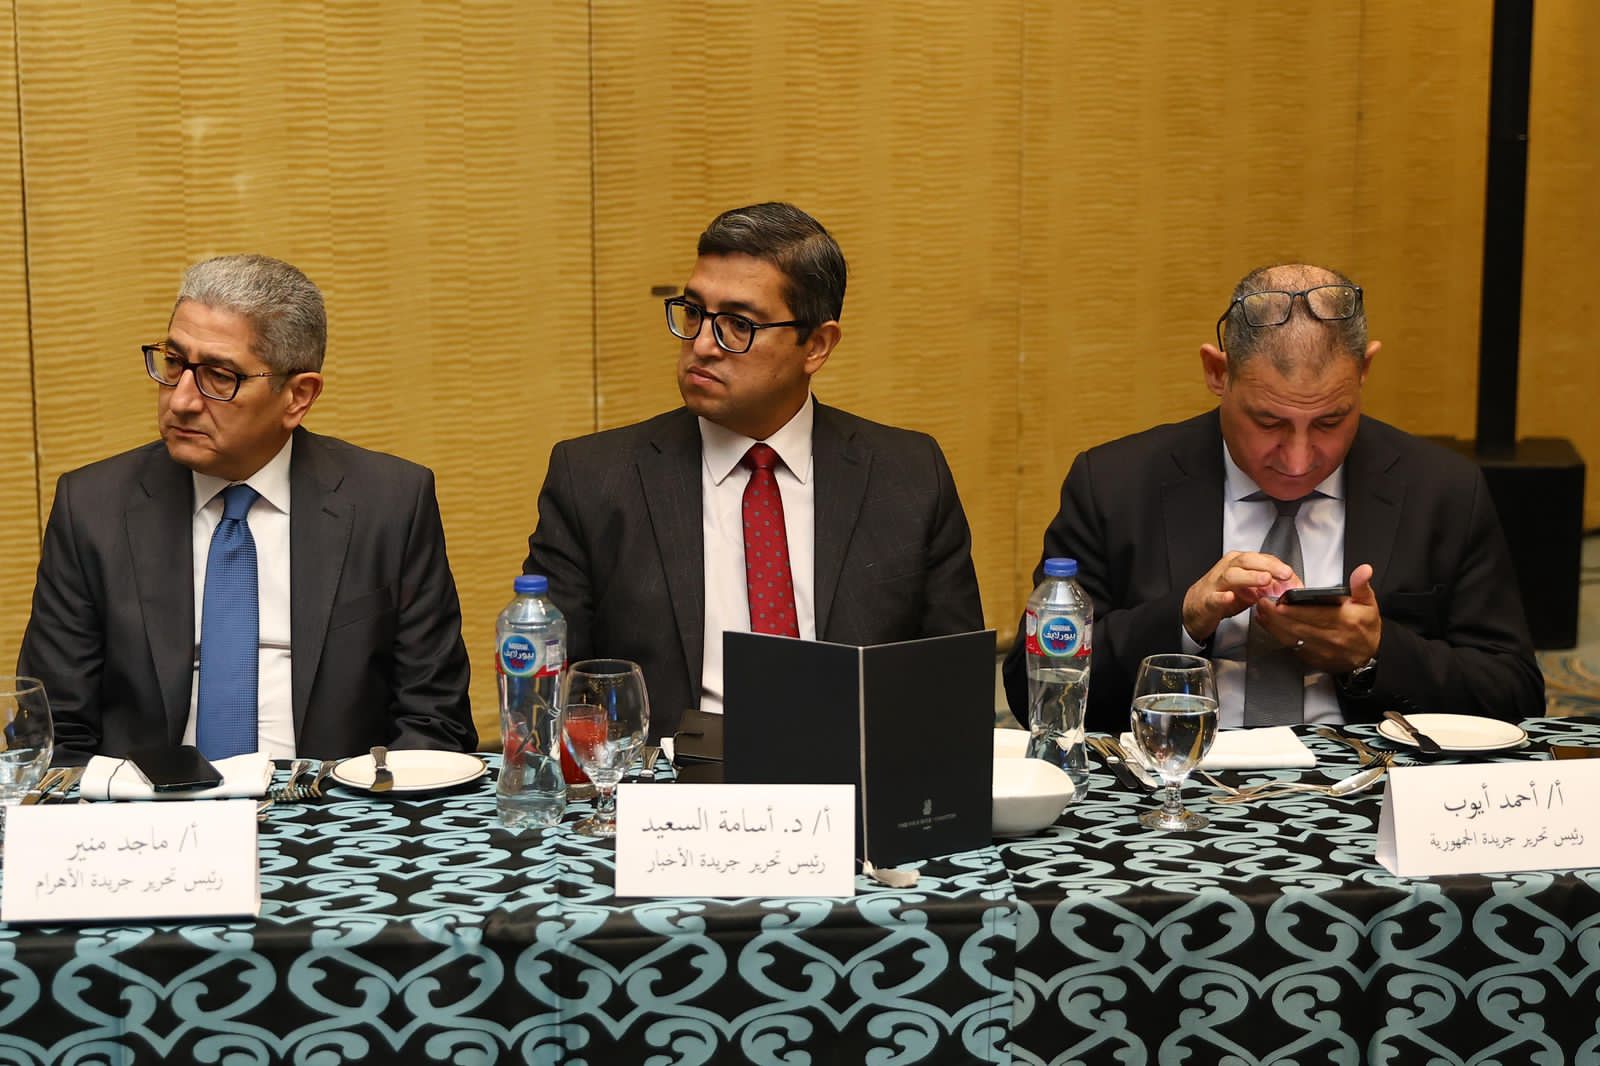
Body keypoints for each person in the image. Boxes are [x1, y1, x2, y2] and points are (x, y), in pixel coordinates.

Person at [1004, 262, 1544, 735]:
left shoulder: (1441, 490)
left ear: (1364, 370)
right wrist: (1185, 620)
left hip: (1369, 784)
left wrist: (1374, 655)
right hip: (1178, 775)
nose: (1299, 459)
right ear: (1218, 372)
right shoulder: (1116, 484)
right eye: (1269, 422)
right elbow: (1034, 693)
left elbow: (1515, 695)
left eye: (1330, 422)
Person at [525, 202, 984, 739]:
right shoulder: (594, 479)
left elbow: (955, 689)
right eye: (693, 313)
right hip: (670, 777)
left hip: (855, 768)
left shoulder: (908, 475)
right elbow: (546, 703)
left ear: (817, 345)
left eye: (738, 325)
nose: (701, 346)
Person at [18, 254, 476, 764]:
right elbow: (53, 733)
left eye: (219, 376)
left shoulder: (389, 504)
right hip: (149, 804)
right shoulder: (92, 508)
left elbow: (434, 722)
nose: (182, 400)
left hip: (330, 803)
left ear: (297, 396)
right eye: (174, 363)